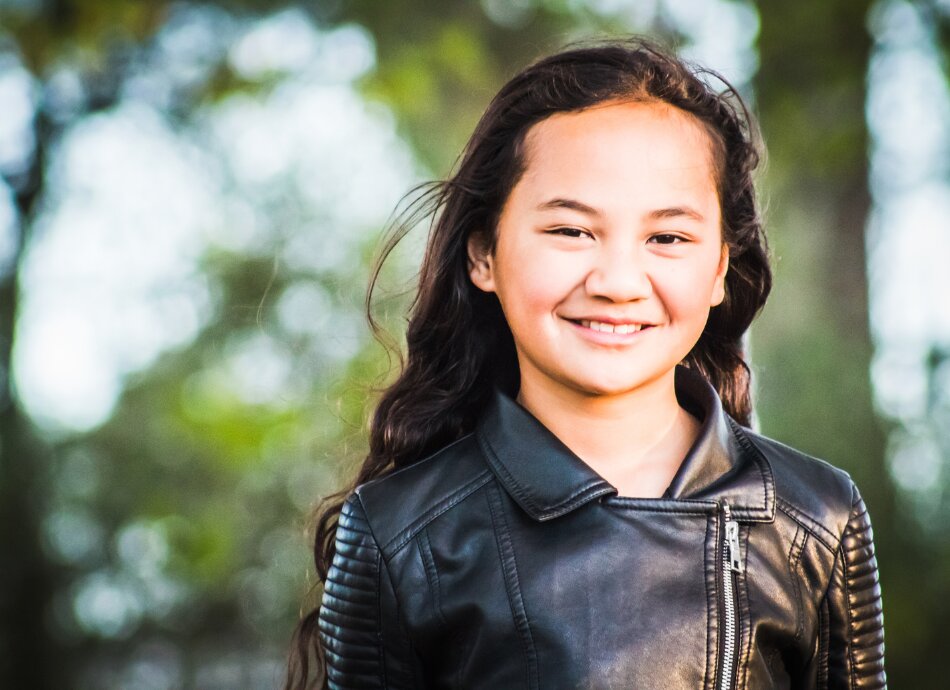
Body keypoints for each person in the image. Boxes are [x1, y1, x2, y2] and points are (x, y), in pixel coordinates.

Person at [285, 38, 886, 690]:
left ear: (718, 268)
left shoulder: (816, 518)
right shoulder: (398, 532)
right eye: (571, 231)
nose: (619, 282)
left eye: (668, 238)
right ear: (483, 252)